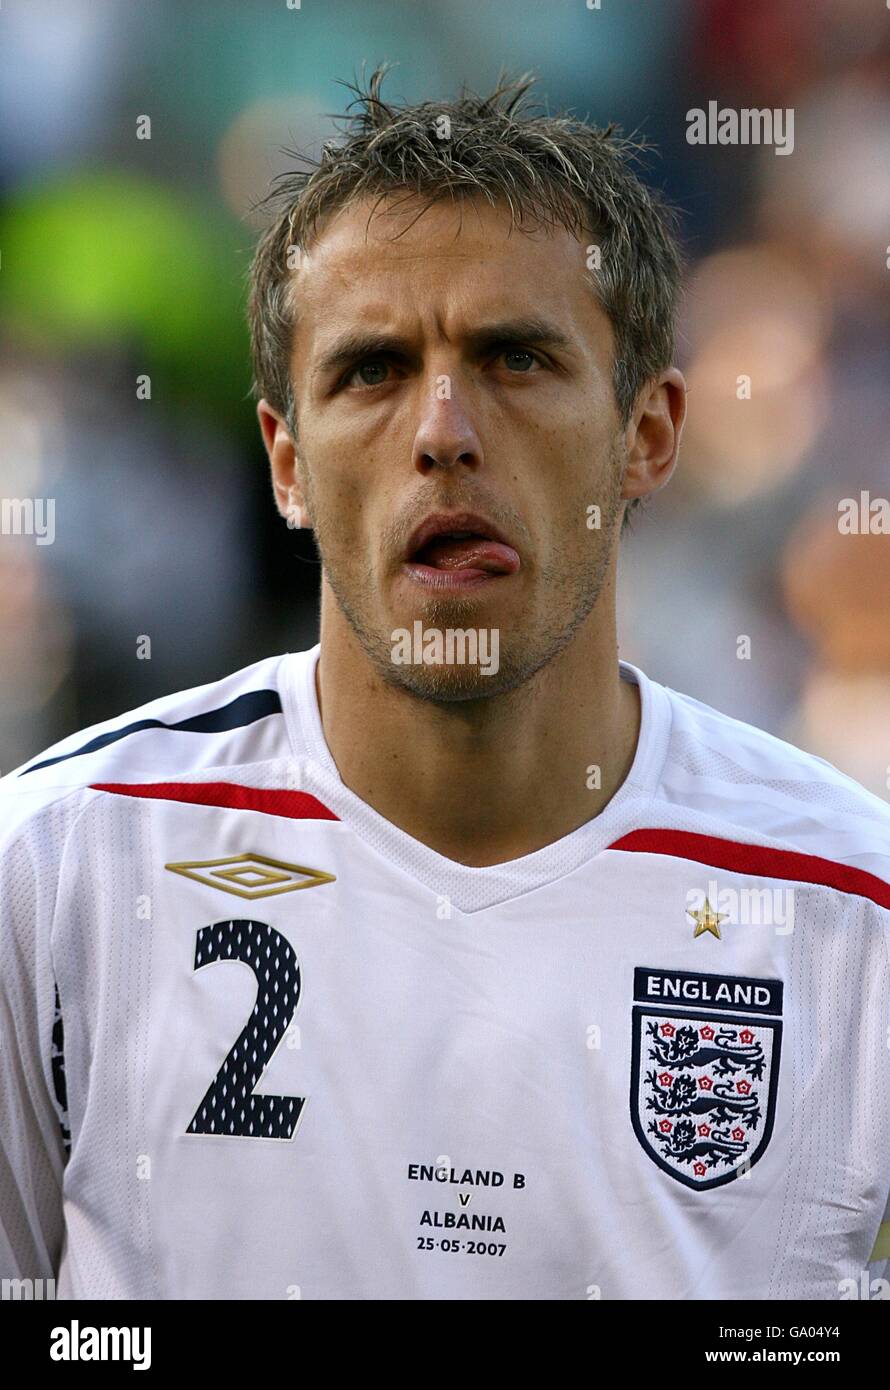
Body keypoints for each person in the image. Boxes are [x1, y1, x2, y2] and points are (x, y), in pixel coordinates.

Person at [1, 68, 888, 1300]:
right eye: (368, 370)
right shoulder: (55, 870)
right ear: (285, 463)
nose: (442, 431)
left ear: (647, 435)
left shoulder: (850, 909)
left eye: (516, 358)